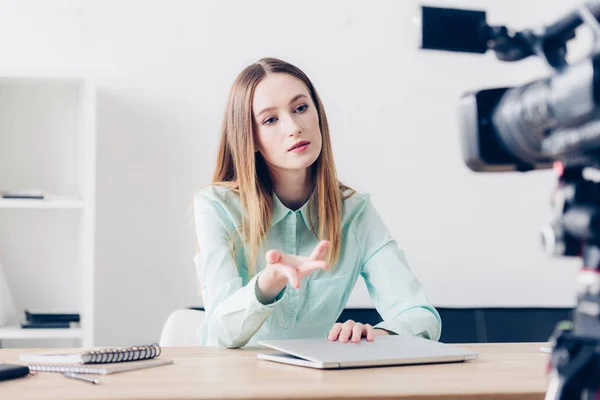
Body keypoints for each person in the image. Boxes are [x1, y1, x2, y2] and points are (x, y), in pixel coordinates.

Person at [193, 57, 441, 348]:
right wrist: (268, 283)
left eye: (301, 108)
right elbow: (221, 332)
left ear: (318, 115)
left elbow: (420, 315)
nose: (294, 127)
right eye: (270, 119)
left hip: (315, 381)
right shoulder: (216, 206)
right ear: (251, 137)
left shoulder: (354, 210)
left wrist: (378, 335)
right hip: (229, 383)